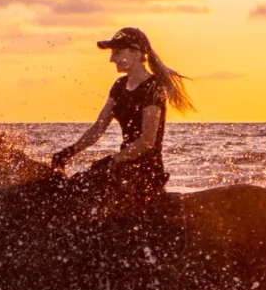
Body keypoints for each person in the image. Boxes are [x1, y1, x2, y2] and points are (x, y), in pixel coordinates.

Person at [51, 27, 193, 213]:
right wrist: (69, 152)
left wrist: (112, 161)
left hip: (145, 170)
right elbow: (98, 128)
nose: (112, 59)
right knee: (77, 188)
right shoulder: (119, 86)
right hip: (123, 165)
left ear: (136, 54)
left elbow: (147, 142)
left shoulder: (153, 89)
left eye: (117, 52)